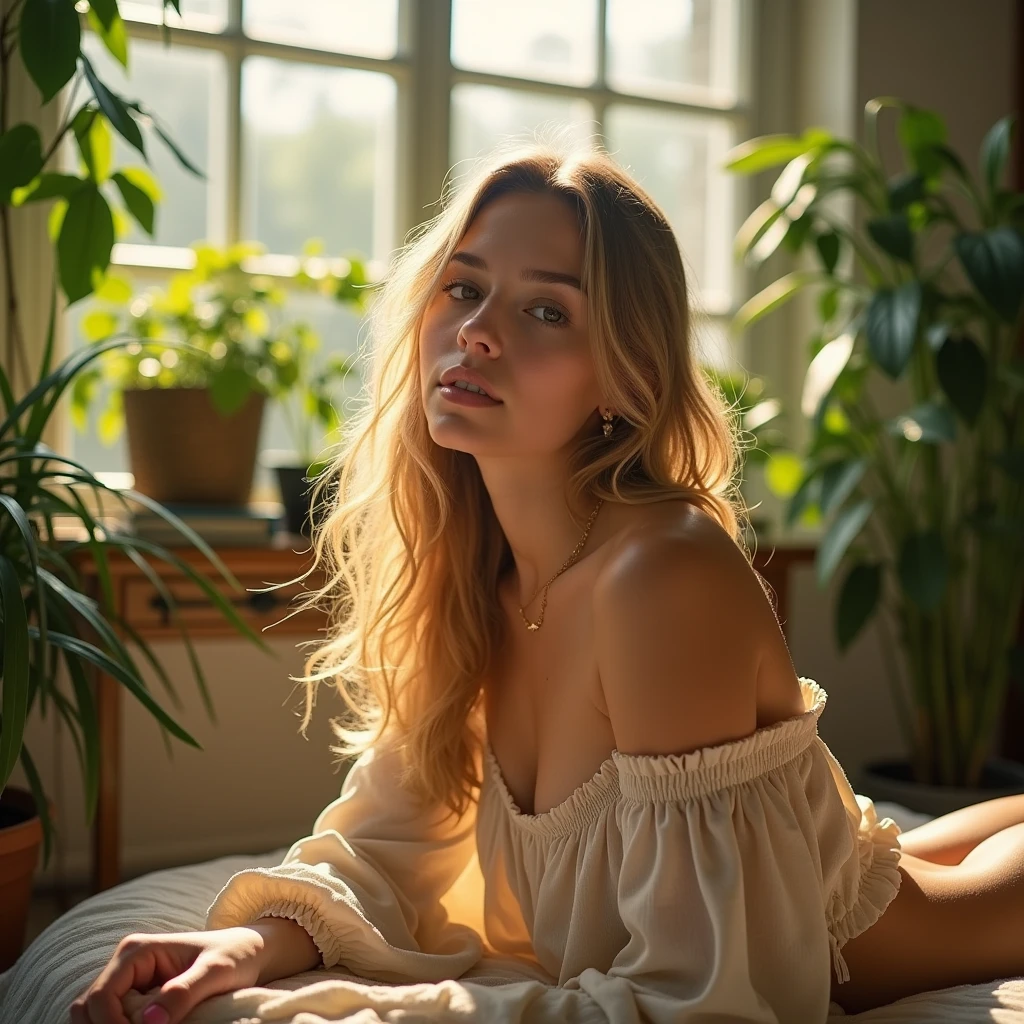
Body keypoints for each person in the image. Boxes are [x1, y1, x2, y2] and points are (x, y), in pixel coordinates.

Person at [71, 133, 1024, 1024]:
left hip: (927, 933)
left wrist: (390, 1012)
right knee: (889, 845)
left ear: (622, 375)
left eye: (545, 309)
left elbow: (701, 998)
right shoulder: (475, 568)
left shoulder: (662, 573)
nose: (478, 333)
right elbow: (386, 845)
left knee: (914, 869)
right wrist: (243, 945)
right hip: (839, 861)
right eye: (463, 288)